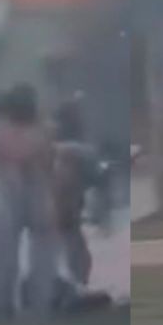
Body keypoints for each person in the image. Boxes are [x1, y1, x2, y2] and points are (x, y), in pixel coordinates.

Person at [0, 84, 61, 319]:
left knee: (6, 249)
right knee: (33, 249)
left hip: (18, 187)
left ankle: (7, 303)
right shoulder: (41, 128)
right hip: (26, 186)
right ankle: (33, 302)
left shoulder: (1, 127)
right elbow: (45, 158)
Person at [51, 100, 99, 288]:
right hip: (66, 204)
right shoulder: (74, 150)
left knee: (70, 243)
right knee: (73, 244)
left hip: (64, 204)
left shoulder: (59, 147)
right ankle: (77, 281)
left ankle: (75, 281)